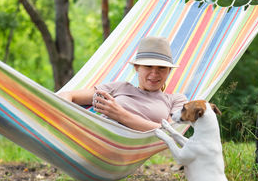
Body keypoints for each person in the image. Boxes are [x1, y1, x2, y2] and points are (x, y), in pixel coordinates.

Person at [58, 36, 187, 131]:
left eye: (161, 68)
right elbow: (68, 95)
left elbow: (173, 132)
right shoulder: (119, 87)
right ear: (137, 67)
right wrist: (64, 119)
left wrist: (121, 114)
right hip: (93, 137)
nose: (154, 73)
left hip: (125, 150)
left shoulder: (175, 100)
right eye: (148, 66)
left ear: (169, 70)